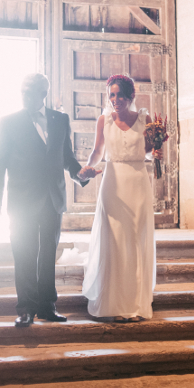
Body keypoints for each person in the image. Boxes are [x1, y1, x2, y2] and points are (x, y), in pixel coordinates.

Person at [0, 73, 97, 327]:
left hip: (52, 199)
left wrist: (81, 174)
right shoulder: (8, 122)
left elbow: (67, 158)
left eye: (30, 92)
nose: (25, 96)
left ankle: (47, 307)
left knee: (48, 256)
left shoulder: (60, 120)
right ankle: (25, 309)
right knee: (24, 254)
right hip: (21, 200)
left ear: (43, 94)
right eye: (23, 92)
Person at [80, 75, 161, 322]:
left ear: (130, 96)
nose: (116, 100)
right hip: (112, 184)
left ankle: (136, 304)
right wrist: (85, 168)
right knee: (114, 240)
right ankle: (113, 305)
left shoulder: (145, 120)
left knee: (136, 239)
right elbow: (97, 152)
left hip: (137, 183)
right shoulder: (104, 121)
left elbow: (147, 153)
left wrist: (156, 150)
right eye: (111, 95)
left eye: (120, 95)